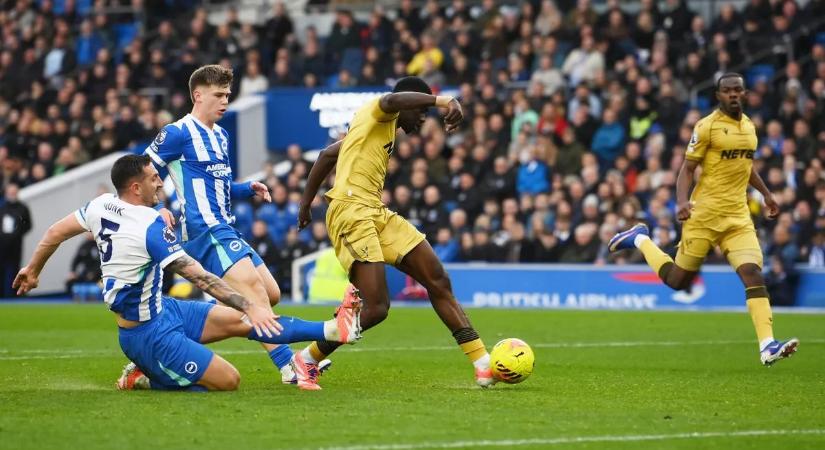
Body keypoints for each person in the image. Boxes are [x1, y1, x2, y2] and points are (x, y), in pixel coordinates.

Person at [12, 154, 361, 391]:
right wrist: (247, 302)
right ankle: (147, 375)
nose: (160, 185)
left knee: (246, 321)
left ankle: (333, 329)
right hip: (145, 335)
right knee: (230, 380)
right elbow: (198, 276)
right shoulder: (148, 226)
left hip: (165, 309)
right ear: (136, 188)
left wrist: (33, 268)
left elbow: (55, 232)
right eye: (153, 180)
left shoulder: (101, 205)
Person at [142, 64, 336, 388]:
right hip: (203, 230)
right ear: (197, 95)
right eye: (218, 95)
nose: (225, 102)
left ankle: (164, 347)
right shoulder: (177, 133)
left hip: (226, 227)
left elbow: (220, 183)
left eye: (228, 95)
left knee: (267, 295)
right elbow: (143, 171)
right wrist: (159, 207)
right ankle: (290, 365)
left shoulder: (220, 135)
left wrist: (248, 189)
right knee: (253, 290)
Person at [297, 76, 496, 388]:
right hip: (350, 211)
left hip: (375, 212)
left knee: (438, 279)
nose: (421, 118)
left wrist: (305, 204)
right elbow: (391, 100)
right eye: (420, 111)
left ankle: (483, 363)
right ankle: (307, 358)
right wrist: (443, 101)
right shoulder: (378, 111)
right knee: (377, 309)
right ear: (410, 101)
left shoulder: (375, 131)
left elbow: (326, 156)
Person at [608, 73, 798, 366]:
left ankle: (767, 345)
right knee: (677, 281)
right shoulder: (706, 126)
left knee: (752, 273)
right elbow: (687, 169)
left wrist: (767, 194)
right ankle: (640, 238)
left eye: (737, 90)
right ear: (719, 95)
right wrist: (682, 201)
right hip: (704, 216)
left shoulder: (749, 127)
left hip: (737, 216)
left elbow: (745, 166)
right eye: (727, 91)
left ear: (744, 93)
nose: (733, 95)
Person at [0, 183, 32, 298]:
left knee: (15, 269)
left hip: (16, 244)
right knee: (1, 269)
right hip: (2, 244)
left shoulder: (23, 208)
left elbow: (28, 225)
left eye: (14, 192)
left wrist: (17, 234)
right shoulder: (2, 207)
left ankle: (15, 295)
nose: (12, 194)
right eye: (10, 192)